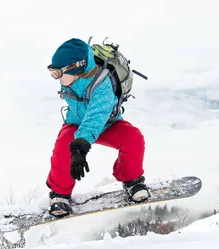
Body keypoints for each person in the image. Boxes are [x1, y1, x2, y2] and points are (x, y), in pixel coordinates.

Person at [46, 38, 149, 218]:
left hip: (106, 123)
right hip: (76, 123)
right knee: (64, 144)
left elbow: (96, 117)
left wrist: (80, 146)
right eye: (53, 72)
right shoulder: (68, 77)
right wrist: (77, 144)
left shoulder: (102, 84)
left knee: (133, 138)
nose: (56, 78)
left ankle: (132, 179)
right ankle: (59, 194)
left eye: (58, 73)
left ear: (77, 68)